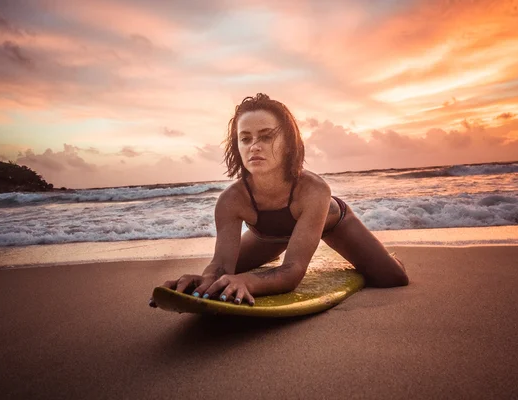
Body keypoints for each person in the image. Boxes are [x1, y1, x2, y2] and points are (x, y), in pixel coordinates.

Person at [149, 93, 408, 307]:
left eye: (266, 136)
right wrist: (202, 283)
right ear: (237, 146)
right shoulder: (231, 200)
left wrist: (248, 281)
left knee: (391, 277)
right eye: (246, 138)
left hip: (333, 224)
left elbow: (292, 272)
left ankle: (385, 255)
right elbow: (220, 265)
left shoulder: (314, 190)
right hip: (269, 236)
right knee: (224, 278)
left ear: (288, 142)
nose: (254, 146)